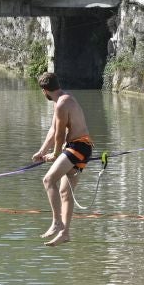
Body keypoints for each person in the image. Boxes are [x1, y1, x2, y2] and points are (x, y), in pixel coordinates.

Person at [32, 70, 92, 246]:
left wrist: (56, 154)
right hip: (80, 147)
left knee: (48, 180)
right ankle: (65, 233)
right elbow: (53, 129)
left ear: (45, 91)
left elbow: (59, 135)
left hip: (78, 147)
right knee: (65, 191)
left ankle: (57, 222)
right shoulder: (62, 100)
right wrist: (42, 151)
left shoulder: (62, 104)